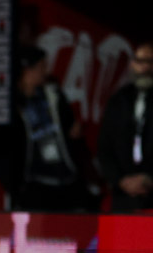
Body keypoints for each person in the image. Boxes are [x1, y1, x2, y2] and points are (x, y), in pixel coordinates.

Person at [10, 45, 96, 212]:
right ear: (27, 69)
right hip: (35, 184)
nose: (45, 71)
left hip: (67, 178)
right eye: (41, 66)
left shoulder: (53, 95)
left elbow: (71, 127)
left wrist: (74, 132)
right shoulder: (13, 104)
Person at [97, 42, 153, 212]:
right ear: (132, 64)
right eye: (140, 61)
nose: (145, 67)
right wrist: (120, 180)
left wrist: (149, 178)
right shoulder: (119, 100)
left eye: (150, 62)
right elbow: (104, 146)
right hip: (123, 192)